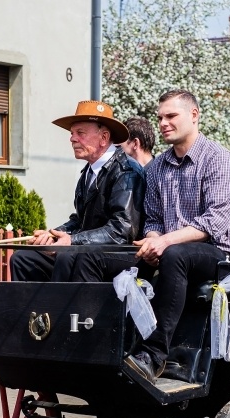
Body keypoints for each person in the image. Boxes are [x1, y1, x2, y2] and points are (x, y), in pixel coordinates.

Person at [125, 89, 230, 382]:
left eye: (171, 116)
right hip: (172, 252)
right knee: (120, 261)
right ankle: (110, 345)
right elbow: (153, 219)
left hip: (220, 254)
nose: (164, 123)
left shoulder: (219, 160)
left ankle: (153, 356)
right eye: (160, 118)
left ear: (194, 115)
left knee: (176, 255)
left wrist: (163, 241)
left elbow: (213, 222)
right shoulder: (155, 169)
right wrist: (153, 240)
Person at [9, 100, 145, 282]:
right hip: (85, 250)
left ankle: (61, 311)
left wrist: (73, 241)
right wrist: (53, 234)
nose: (72, 139)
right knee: (23, 258)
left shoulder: (127, 171)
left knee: (69, 255)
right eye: (72, 133)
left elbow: (122, 231)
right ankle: (33, 311)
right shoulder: (89, 171)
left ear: (104, 138)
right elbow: (80, 220)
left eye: (80, 133)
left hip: (121, 254)